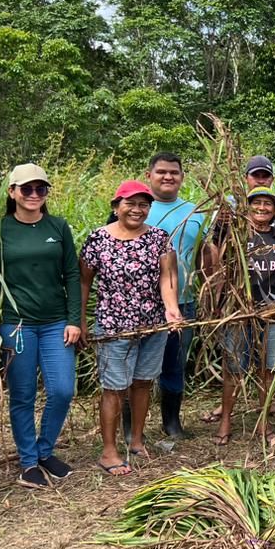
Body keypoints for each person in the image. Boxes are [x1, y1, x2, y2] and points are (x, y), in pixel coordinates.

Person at [80, 180, 182, 476]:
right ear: (116, 207)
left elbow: (167, 278)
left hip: (153, 326)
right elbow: (84, 281)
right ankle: (109, 451)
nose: (137, 210)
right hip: (113, 326)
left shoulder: (159, 238)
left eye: (143, 205)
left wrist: (172, 310)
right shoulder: (98, 239)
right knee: (114, 389)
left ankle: (136, 440)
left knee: (143, 383)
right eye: (130, 203)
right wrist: (80, 320)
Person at [199, 155, 275, 426]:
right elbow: (212, 248)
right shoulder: (232, 222)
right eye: (256, 176)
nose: (263, 207)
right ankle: (226, 419)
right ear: (246, 179)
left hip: (274, 307)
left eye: (268, 203)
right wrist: (217, 290)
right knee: (233, 365)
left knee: (269, 365)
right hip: (239, 305)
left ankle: (265, 415)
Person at [0, 163, 81, 489]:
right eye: (26, 189)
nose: (34, 195)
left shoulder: (58, 227)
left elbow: (72, 275)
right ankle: (29, 462)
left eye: (40, 189)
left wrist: (74, 319)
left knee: (62, 390)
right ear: (12, 192)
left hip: (55, 323)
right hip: (15, 325)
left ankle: (45, 451)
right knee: (23, 394)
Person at [143, 152, 206, 439]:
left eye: (174, 172)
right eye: (161, 172)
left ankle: (171, 423)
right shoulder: (134, 208)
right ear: (149, 175)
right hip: (141, 305)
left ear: (182, 177)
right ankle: (133, 429)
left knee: (175, 364)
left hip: (184, 301)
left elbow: (204, 252)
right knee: (138, 369)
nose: (168, 177)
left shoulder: (196, 212)